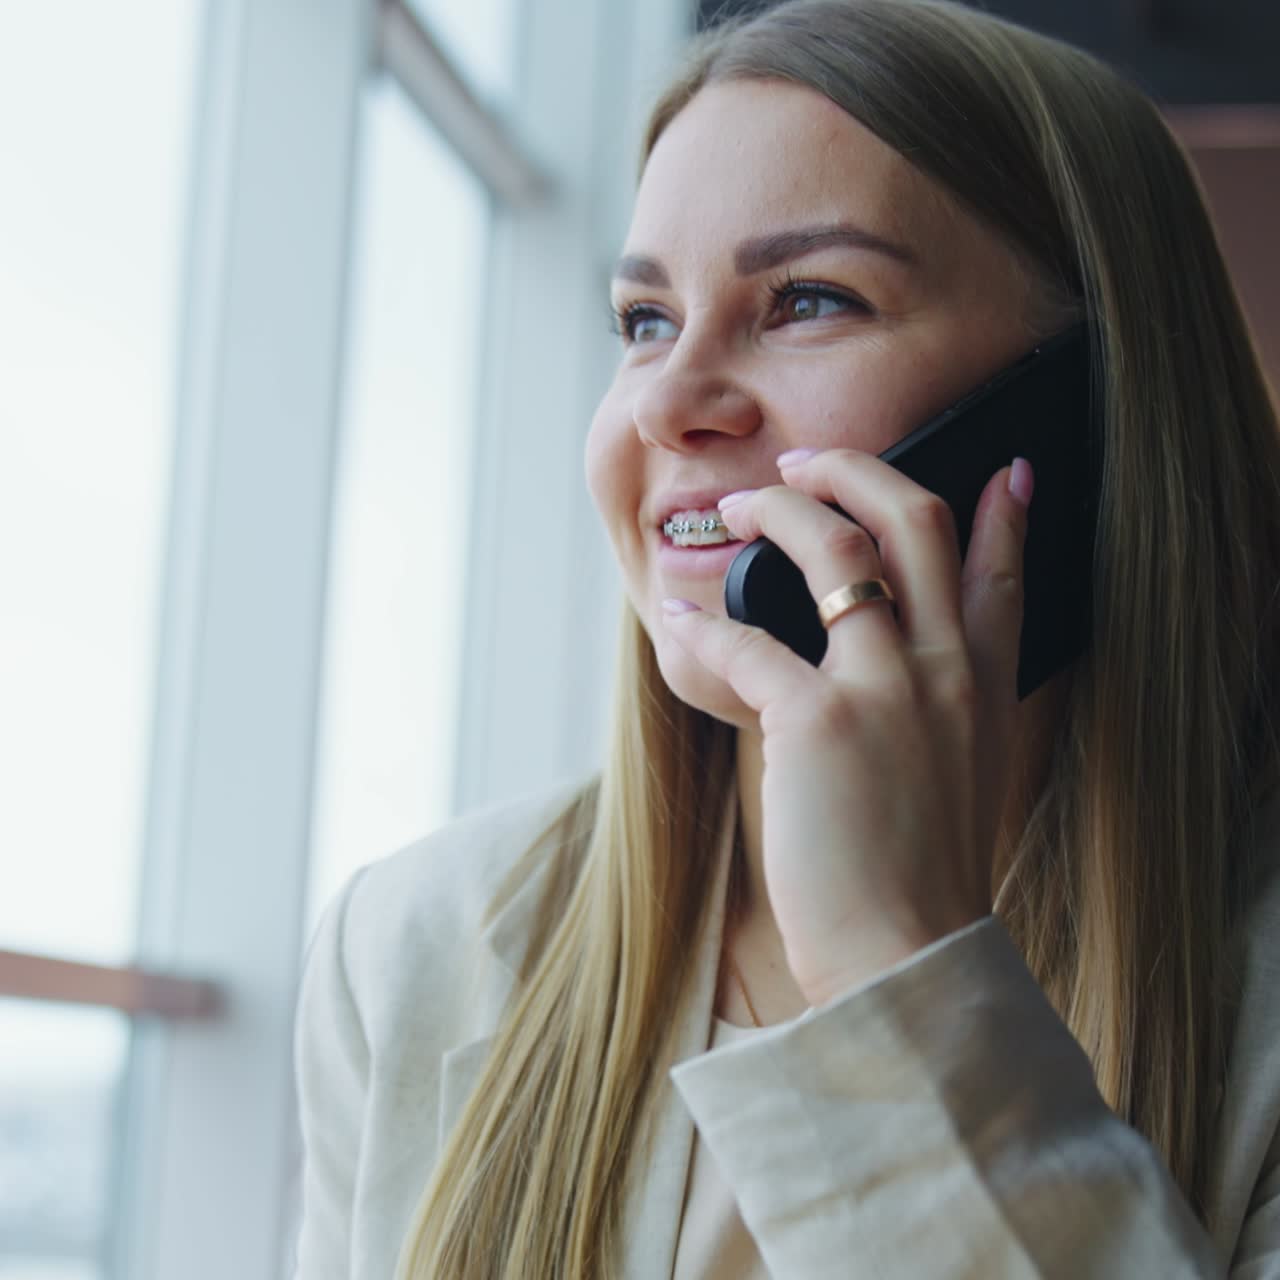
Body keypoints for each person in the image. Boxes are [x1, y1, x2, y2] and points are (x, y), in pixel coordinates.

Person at [291, 1, 1280, 1276]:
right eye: (642, 320)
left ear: (1080, 414)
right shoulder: (412, 942)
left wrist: (898, 970)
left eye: (808, 298)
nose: (667, 402)